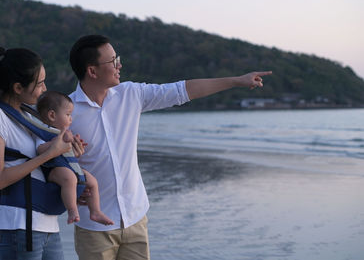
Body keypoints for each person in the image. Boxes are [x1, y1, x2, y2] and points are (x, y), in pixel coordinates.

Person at [67, 34, 272, 260]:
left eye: (118, 58)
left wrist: (236, 81)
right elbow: (48, 158)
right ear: (92, 71)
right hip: (94, 227)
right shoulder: (66, 113)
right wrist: (69, 186)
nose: (120, 65)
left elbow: (182, 90)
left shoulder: (131, 94)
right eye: (113, 61)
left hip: (135, 217)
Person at [0, 46, 76, 260]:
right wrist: (48, 154)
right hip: (18, 228)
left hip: (47, 225)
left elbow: (47, 166)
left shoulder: (30, 115)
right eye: (39, 83)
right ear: (18, 87)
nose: (45, 89)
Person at [36, 91, 114, 226]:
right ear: (52, 115)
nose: (71, 119)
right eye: (68, 115)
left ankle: (95, 211)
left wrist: (75, 144)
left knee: (92, 181)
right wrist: (56, 142)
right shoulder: (43, 131)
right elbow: (39, 149)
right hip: (54, 169)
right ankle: (72, 210)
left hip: (70, 166)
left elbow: (69, 150)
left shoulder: (67, 132)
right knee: (70, 179)